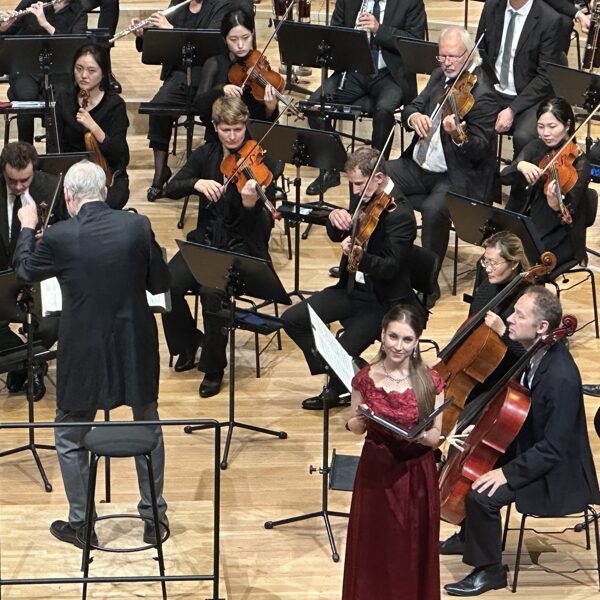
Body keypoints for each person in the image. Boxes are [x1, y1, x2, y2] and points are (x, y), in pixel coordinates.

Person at [13, 160, 171, 548]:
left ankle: (82, 525)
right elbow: (159, 281)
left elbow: (24, 270)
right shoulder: (137, 225)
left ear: (68, 196)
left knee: (69, 435)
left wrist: (29, 225)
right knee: (146, 424)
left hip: (83, 349)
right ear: (103, 192)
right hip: (135, 342)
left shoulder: (60, 237)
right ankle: (154, 520)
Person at [444, 285, 599, 596]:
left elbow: (553, 449)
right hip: (530, 447)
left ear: (542, 327)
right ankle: (469, 536)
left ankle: (490, 571)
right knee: (467, 457)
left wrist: (504, 472)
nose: (510, 319)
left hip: (555, 471)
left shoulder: (561, 377)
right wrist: (480, 432)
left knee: (481, 494)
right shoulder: (537, 352)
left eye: (519, 315)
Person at [282, 146, 420, 410]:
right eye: (352, 183)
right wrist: (335, 221)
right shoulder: (364, 196)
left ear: (378, 178)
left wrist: (362, 257)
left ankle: (337, 384)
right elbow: (343, 233)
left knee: (340, 349)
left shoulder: (401, 215)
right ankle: (349, 372)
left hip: (381, 300)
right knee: (293, 319)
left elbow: (390, 267)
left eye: (359, 183)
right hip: (350, 288)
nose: (354, 190)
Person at [161, 95, 275, 398]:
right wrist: (195, 183)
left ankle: (214, 368)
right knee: (166, 285)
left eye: (238, 129)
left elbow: (262, 230)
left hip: (240, 249)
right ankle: (187, 344)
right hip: (206, 241)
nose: (234, 136)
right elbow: (169, 188)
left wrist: (250, 206)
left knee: (211, 294)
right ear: (215, 127)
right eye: (227, 130)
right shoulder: (206, 155)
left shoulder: (262, 160)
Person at [386, 26, 499, 306]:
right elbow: (414, 105)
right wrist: (413, 119)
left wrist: (458, 135)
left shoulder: (483, 94)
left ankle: (427, 284)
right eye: (442, 56)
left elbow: (481, 149)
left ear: (470, 55)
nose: (446, 62)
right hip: (420, 166)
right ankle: (379, 254)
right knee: (375, 177)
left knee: (434, 211)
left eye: (452, 57)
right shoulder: (440, 76)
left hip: (455, 175)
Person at [342, 303, 445, 600]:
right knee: (374, 547)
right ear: (382, 335)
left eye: (407, 339)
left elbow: (436, 437)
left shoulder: (431, 381)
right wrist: (358, 419)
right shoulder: (364, 377)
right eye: (393, 337)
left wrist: (421, 436)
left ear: (416, 342)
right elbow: (355, 428)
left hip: (416, 474)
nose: (398, 346)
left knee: (410, 549)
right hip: (376, 470)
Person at [304, 0, 426, 196]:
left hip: (390, 74)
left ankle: (376, 173)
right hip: (354, 71)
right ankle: (333, 169)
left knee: (384, 109)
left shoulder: (410, 2)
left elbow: (415, 41)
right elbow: (334, 32)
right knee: (315, 106)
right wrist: (348, 39)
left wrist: (379, 29)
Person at [132, 0, 230, 201]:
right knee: (158, 108)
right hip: (179, 74)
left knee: (215, 110)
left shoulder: (218, 6)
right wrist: (145, 35)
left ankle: (213, 168)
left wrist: (171, 29)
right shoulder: (178, 5)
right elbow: (161, 47)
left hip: (209, 74)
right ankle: (160, 175)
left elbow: (213, 46)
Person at [0, 141, 64, 401]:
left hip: (39, 275)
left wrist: (50, 238)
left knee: (52, 322)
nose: (18, 187)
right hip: (3, 275)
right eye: (11, 180)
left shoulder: (51, 187)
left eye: (24, 180)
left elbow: (69, 230)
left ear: (34, 171)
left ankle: (29, 361)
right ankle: (25, 362)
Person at [500, 97, 590, 267]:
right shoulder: (535, 147)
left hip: (560, 234)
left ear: (567, 126)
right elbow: (505, 177)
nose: (545, 133)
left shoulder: (580, 164)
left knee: (516, 262)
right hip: (525, 221)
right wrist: (520, 165)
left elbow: (570, 212)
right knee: (492, 259)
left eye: (552, 127)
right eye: (540, 127)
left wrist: (556, 205)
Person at [475, 0, 561, 163]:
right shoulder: (492, 7)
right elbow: (480, 52)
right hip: (493, 89)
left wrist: (512, 109)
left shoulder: (550, 19)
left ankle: (518, 183)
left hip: (529, 96)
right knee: (470, 121)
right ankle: (483, 183)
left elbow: (545, 77)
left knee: (524, 136)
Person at [51, 44, 131, 209]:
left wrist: (94, 127)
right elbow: (55, 146)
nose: (83, 75)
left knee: (106, 203)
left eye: (91, 71)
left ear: (103, 74)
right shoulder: (64, 100)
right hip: (72, 174)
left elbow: (120, 155)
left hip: (107, 175)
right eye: (78, 68)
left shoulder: (115, 105)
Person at [1, 0, 87, 144]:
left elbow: (76, 48)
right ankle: (26, 153)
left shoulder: (78, 11)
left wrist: (45, 24)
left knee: (62, 96)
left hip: (59, 72)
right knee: (25, 96)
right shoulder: (30, 3)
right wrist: (3, 28)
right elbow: (7, 39)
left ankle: (58, 152)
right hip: (26, 70)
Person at [194, 8, 280, 143]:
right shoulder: (214, 64)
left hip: (252, 140)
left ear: (252, 34)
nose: (240, 45)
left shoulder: (259, 64)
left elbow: (265, 122)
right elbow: (199, 105)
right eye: (233, 39)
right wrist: (220, 90)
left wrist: (270, 109)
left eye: (246, 38)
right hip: (219, 140)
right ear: (224, 39)